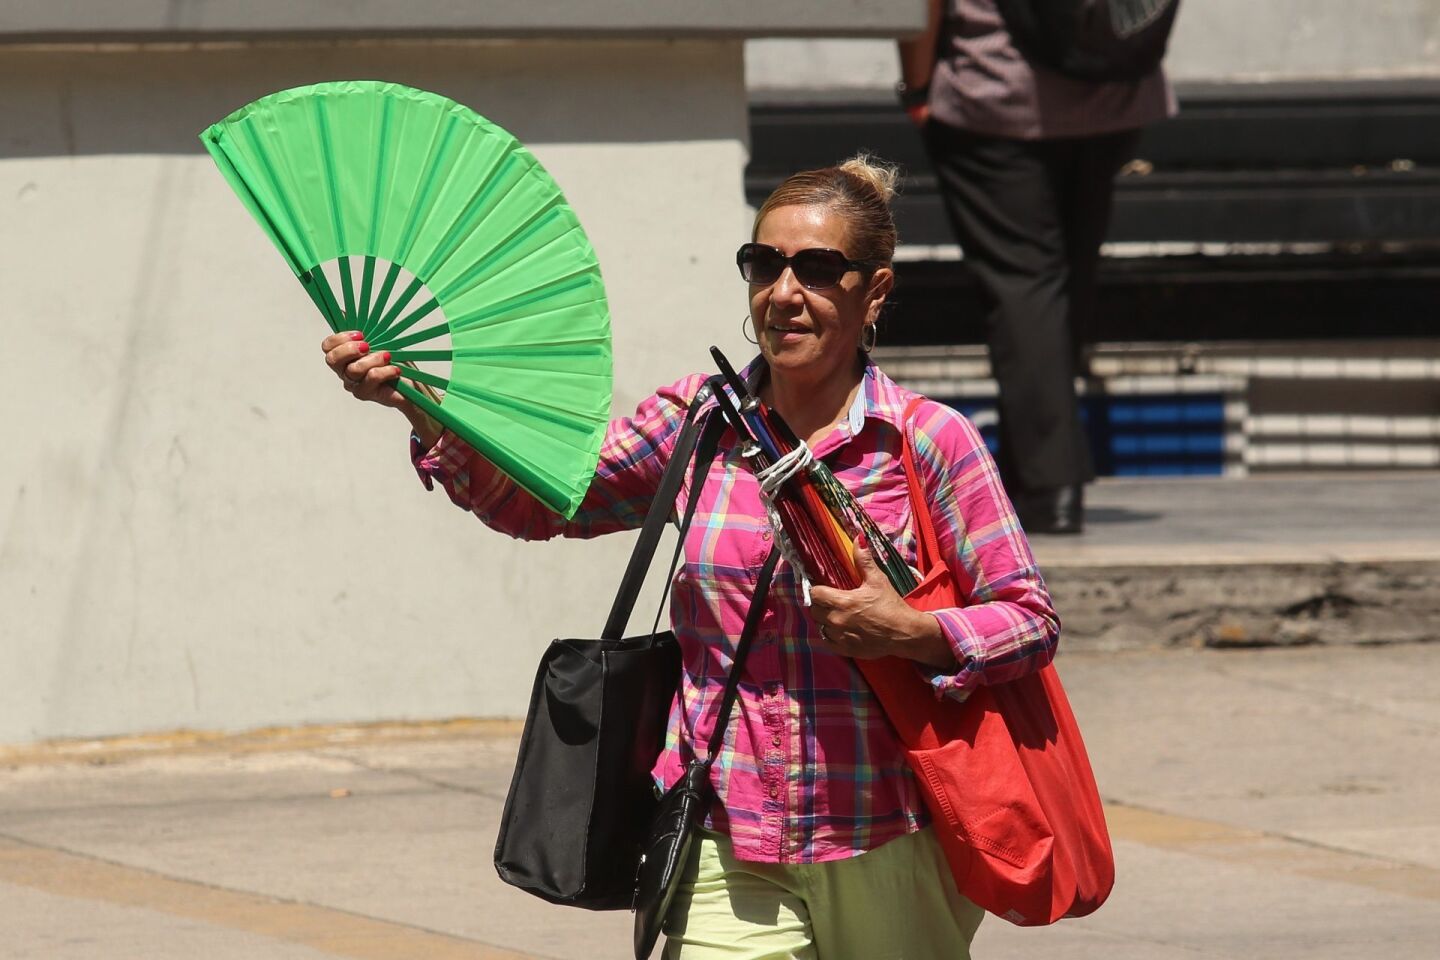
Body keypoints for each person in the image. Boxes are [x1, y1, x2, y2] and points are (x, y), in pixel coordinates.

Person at [321, 156, 1059, 959]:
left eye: (816, 269)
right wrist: (420, 407)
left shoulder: (924, 442)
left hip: (890, 834)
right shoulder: (699, 421)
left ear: (873, 291)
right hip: (722, 831)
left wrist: (912, 631)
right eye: (764, 264)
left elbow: (1029, 620)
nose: (784, 292)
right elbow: (544, 504)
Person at [898, 0, 1177, 533]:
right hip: (1116, 89)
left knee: (1025, 284)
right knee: (1067, 281)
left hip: (998, 93)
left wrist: (916, 87)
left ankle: (1050, 486)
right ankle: (1040, 471)